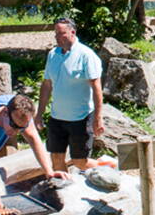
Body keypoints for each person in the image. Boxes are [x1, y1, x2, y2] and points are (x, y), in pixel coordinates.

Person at [37, 18, 105, 173]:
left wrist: (98, 117)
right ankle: (64, 190)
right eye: (56, 34)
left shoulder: (86, 55)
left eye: (61, 34)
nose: (57, 37)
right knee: (56, 159)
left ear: (72, 32)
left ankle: (108, 167)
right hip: (57, 117)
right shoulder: (53, 55)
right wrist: (39, 114)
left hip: (80, 117)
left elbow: (96, 88)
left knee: (79, 162)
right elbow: (47, 85)